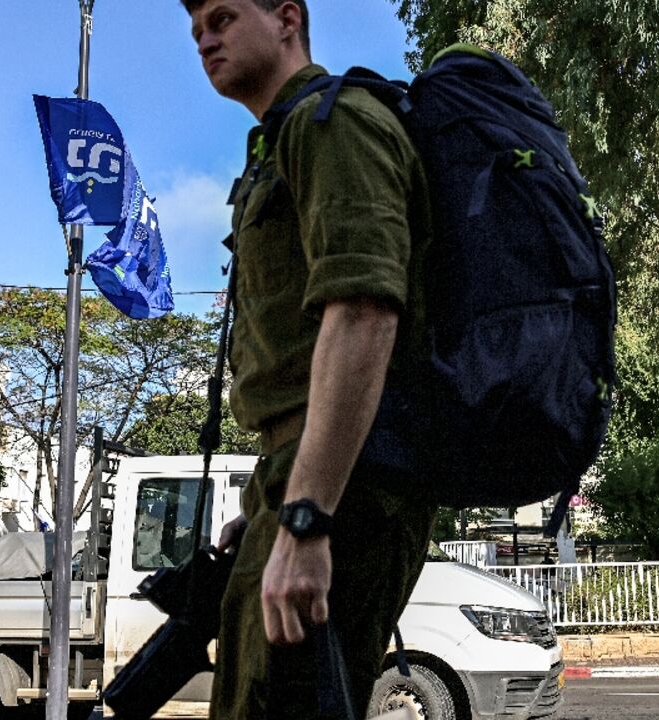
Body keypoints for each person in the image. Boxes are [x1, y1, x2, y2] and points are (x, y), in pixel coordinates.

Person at [184, 1, 437, 716]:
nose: (206, 39)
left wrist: (307, 516)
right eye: (197, 27)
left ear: (287, 18)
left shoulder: (337, 122)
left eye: (223, 17)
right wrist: (274, 500)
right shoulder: (286, 139)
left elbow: (363, 309)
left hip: (349, 483)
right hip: (305, 479)